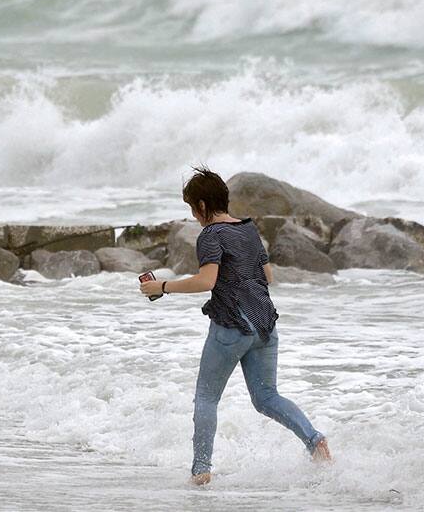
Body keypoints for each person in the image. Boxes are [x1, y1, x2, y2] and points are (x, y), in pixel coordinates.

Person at [139, 167, 332, 486]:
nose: (194, 214)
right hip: (264, 324)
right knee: (267, 397)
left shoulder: (211, 235)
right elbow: (267, 276)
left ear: (201, 206)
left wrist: (162, 287)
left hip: (231, 326)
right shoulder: (248, 229)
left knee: (206, 397)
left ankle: (200, 471)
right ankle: (315, 440)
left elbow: (206, 280)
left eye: (192, 207)